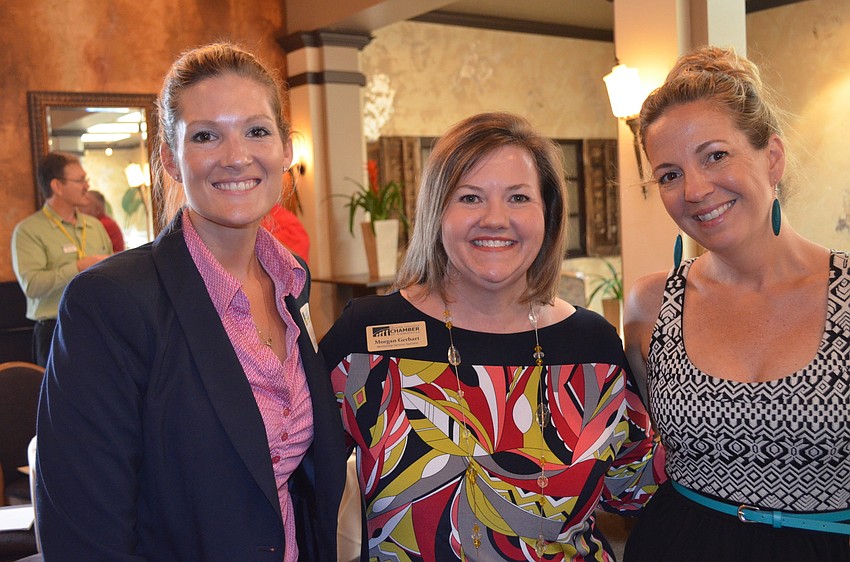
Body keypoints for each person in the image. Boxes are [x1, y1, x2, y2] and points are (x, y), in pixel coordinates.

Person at [35, 42, 348, 561]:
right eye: (206, 136)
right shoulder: (109, 303)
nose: (236, 156)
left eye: (256, 131)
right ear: (170, 160)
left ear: (286, 149)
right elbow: (82, 535)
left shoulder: (292, 281)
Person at [321, 112, 662, 561]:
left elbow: (634, 488)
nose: (495, 219)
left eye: (518, 197)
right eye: (470, 197)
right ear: (437, 212)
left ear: (548, 213)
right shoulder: (365, 339)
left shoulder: (592, 344)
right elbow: (299, 479)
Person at [623, 46, 850, 561]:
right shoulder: (651, 304)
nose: (695, 189)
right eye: (669, 174)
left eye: (715, 156)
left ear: (772, 157)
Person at [11, 151, 112, 367]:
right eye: (80, 180)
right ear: (57, 186)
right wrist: (79, 267)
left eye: (86, 179)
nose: (87, 186)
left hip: (100, 327)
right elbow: (32, 286)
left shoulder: (95, 226)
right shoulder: (29, 231)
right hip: (55, 330)